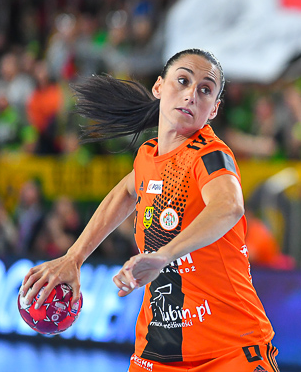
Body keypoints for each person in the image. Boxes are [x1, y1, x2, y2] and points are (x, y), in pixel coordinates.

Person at [19, 49, 279, 372]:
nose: (191, 95)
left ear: (214, 109)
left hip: (230, 351)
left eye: (205, 90)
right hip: (157, 354)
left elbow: (229, 206)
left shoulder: (211, 154)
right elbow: (124, 193)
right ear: (158, 87)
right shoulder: (148, 157)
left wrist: (164, 255)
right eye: (182, 81)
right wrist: (74, 257)